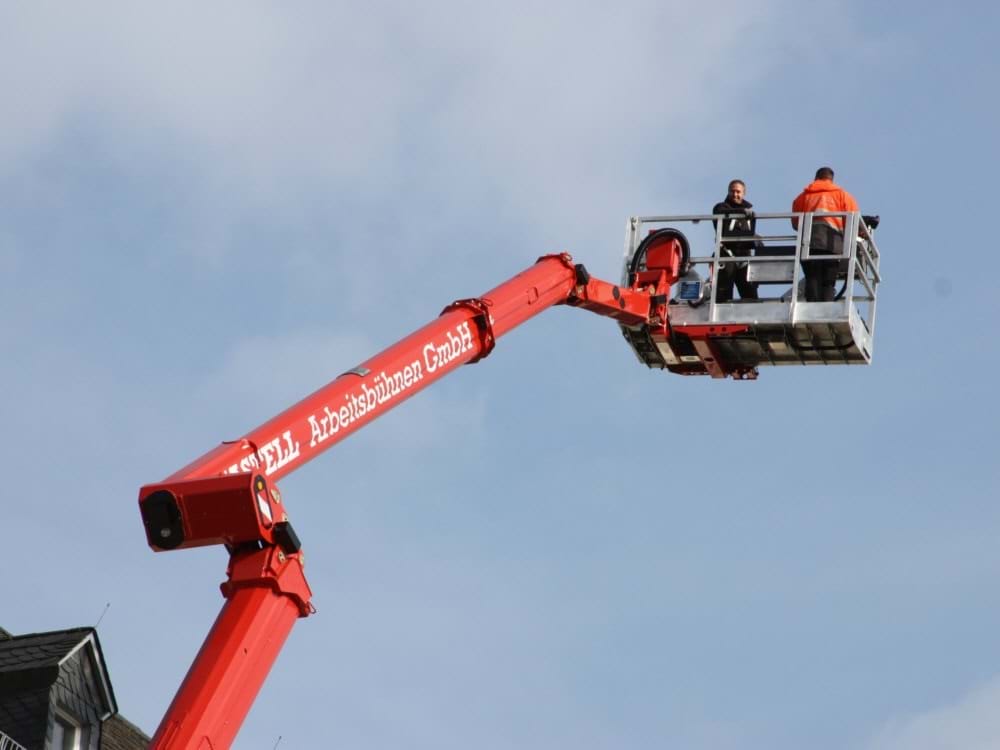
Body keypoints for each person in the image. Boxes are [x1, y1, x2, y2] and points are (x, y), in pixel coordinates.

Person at [791, 167, 860, 302]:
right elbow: (853, 223)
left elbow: (795, 224)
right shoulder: (843, 196)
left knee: (812, 277)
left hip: (808, 242)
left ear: (816, 178)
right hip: (833, 243)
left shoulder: (802, 197)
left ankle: (811, 307)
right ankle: (827, 306)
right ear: (831, 180)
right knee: (828, 281)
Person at [711, 179, 759, 302]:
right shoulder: (721, 207)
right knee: (723, 294)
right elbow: (720, 212)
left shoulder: (749, 215)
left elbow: (750, 234)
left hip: (744, 258)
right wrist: (741, 212)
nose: (735, 194)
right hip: (727, 256)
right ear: (728, 192)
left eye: (738, 192)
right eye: (732, 191)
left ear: (743, 193)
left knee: (750, 294)